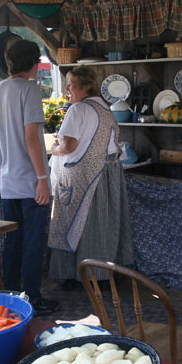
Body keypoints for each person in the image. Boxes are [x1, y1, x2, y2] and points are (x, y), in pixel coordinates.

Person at [0, 40, 58, 316]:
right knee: (32, 242)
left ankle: (10, 296)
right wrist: (42, 177)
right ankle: (33, 298)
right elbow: (31, 137)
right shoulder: (29, 89)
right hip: (30, 181)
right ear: (33, 63)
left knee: (13, 241)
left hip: (9, 181)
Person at [48, 66, 133, 290]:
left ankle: (75, 275)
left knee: (76, 223)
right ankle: (102, 275)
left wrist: (52, 148)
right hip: (108, 174)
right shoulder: (105, 108)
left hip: (85, 176)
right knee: (102, 225)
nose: (67, 89)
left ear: (86, 86)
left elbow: (68, 146)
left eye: (72, 84)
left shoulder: (78, 110)